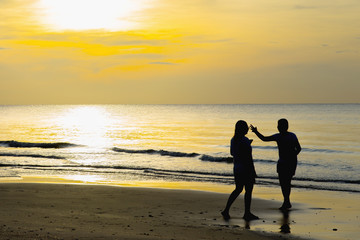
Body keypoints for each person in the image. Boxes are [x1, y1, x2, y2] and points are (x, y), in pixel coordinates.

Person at [250, 119, 301, 210]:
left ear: (284, 127)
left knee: (285, 182)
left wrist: (291, 156)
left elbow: (264, 139)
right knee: (285, 182)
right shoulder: (288, 136)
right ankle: (286, 201)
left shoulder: (286, 136)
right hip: (287, 162)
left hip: (287, 162)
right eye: (278, 125)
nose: (278, 127)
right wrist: (256, 132)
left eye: (279, 125)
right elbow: (299, 149)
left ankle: (286, 201)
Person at [222, 120, 259, 221]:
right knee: (248, 191)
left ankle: (226, 210)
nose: (247, 128)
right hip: (246, 169)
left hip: (237, 168)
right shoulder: (244, 140)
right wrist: (253, 171)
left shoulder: (233, 140)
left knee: (238, 189)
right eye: (246, 127)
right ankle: (247, 213)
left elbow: (232, 153)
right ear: (242, 129)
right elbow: (248, 158)